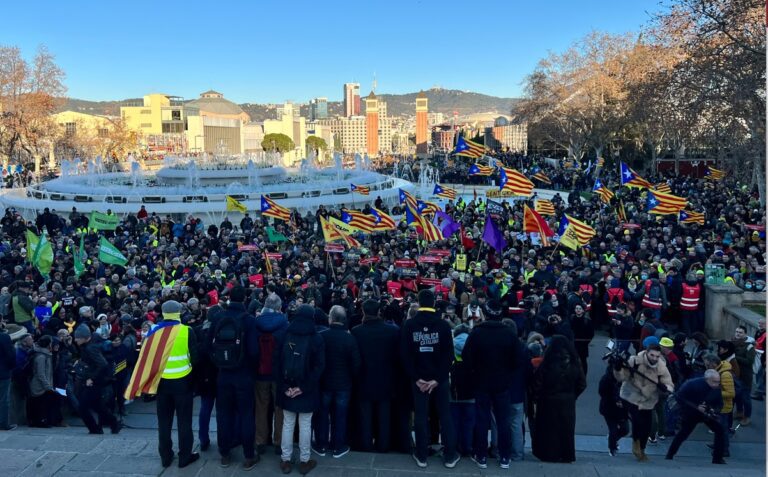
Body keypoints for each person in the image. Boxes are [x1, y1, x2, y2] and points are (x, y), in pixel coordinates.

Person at [401, 289, 460, 469]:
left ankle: (422, 454)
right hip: (439, 380)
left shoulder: (409, 325)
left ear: (419, 303)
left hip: (419, 380)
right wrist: (437, 378)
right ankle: (450, 455)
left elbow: (405, 355)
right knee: (445, 416)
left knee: (420, 416)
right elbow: (449, 355)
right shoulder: (443, 325)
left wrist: (417, 378)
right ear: (433, 303)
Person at [461, 300, 520, 469]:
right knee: (503, 420)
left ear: (485, 314)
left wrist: (475, 373)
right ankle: (504, 456)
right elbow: (518, 359)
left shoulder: (477, 333)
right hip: (502, 382)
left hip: (481, 381)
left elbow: (467, 358)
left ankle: (481, 455)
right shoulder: (509, 333)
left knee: (482, 419)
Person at [210, 286, 259, 470]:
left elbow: (209, 345)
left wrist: (219, 362)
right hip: (244, 374)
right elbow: (254, 351)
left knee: (223, 414)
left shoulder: (218, 317)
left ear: (229, 298)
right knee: (246, 414)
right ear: (245, 298)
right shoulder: (249, 321)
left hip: (223, 373)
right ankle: (248, 455)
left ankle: (225, 454)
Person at [275, 304, 324, 475]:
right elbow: (319, 367)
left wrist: (285, 387)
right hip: (306, 388)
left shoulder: (285, 334)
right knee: (305, 424)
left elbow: (278, 363)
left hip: (287, 386)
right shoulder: (316, 337)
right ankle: (304, 460)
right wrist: (302, 388)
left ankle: (286, 459)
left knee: (287, 424)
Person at [154, 300, 199, 468]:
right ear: (179, 312)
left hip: (161, 383)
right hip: (183, 382)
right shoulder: (187, 331)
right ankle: (184, 456)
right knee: (184, 421)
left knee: (164, 422)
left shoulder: (153, 331)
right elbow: (195, 359)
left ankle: (165, 456)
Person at [351, 299, 399, 453]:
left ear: (363, 312)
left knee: (365, 416)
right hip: (386, 380)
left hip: (363, 380)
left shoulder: (356, 331)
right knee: (384, 416)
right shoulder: (392, 331)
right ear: (379, 312)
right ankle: (383, 445)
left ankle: (366, 445)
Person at [530, 335, 586, 463]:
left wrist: (536, 397)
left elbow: (537, 382)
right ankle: (566, 455)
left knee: (548, 430)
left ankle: (549, 454)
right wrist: (572, 395)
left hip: (548, 399)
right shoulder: (574, 362)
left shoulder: (548, 361)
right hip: (567, 400)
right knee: (566, 430)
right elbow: (582, 383)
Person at [613, 343, 673, 461]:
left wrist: (666, 388)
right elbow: (621, 378)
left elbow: (668, 382)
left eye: (657, 356)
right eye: (652, 355)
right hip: (631, 397)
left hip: (649, 400)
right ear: (646, 352)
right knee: (637, 421)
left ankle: (642, 448)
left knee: (647, 426)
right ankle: (636, 444)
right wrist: (618, 368)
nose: (654, 358)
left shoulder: (661, 367)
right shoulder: (634, 361)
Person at [314, 305, 360, 458]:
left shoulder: (322, 336)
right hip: (343, 383)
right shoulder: (350, 338)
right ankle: (338, 445)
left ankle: (321, 444)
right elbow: (356, 364)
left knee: (322, 413)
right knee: (340, 415)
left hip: (325, 382)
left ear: (330, 318)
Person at [665, 370, 727, 464]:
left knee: (720, 430)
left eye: (718, 381)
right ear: (707, 379)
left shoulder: (717, 388)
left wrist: (714, 410)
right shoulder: (692, 385)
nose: (717, 384)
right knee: (683, 434)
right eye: (714, 381)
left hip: (707, 413)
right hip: (691, 414)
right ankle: (670, 454)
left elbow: (720, 403)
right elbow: (679, 398)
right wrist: (695, 407)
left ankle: (717, 458)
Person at [253, 293, 288, 455]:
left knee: (260, 407)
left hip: (260, 371)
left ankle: (260, 440)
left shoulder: (256, 322)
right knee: (279, 408)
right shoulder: (284, 323)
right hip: (278, 372)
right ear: (279, 308)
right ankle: (278, 442)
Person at [73, 324, 121, 435]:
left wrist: (91, 378)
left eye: (77, 338)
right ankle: (113, 423)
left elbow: (102, 364)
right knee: (97, 405)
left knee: (83, 407)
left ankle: (95, 429)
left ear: (85, 337)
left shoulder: (90, 348)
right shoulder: (90, 345)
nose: (75, 340)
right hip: (100, 380)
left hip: (95, 381)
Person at [599, 363, 628, 456]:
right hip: (609, 409)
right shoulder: (606, 379)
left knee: (625, 430)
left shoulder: (626, 378)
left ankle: (613, 439)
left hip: (622, 409)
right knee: (613, 429)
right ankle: (612, 448)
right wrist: (615, 400)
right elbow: (602, 392)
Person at [28, 335, 56, 427]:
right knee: (39, 405)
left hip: (44, 385)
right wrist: (48, 386)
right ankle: (39, 421)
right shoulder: (41, 357)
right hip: (39, 386)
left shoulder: (46, 355)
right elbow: (41, 374)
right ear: (48, 344)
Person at [732, 325, 755, 426]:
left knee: (746, 397)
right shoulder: (733, 342)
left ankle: (747, 417)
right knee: (737, 395)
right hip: (735, 374)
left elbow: (749, 361)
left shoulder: (749, 345)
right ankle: (739, 412)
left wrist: (735, 357)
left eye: (740, 332)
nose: (738, 334)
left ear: (745, 334)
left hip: (745, 375)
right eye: (737, 331)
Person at [0, 321, 15, 431]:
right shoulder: (4, 337)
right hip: (3, 372)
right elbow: (11, 356)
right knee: (3, 399)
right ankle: (3, 423)